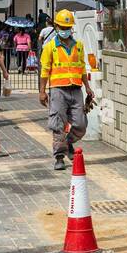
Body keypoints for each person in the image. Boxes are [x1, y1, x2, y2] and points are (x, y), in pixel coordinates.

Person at [38, 9, 94, 170]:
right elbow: (44, 71)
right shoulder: (49, 47)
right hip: (57, 90)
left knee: (80, 124)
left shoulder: (79, 46)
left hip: (76, 89)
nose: (65, 30)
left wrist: (88, 88)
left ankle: (68, 142)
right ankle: (59, 157)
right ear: (56, 26)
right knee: (58, 124)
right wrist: (42, 91)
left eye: (67, 27)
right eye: (62, 27)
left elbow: (82, 68)